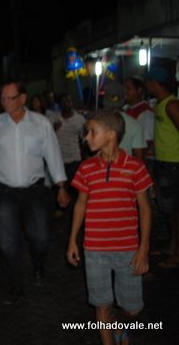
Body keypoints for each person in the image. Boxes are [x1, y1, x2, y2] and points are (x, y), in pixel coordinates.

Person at [0, 81, 70, 304]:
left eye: (10, 98)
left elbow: (53, 154)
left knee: (41, 238)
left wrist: (61, 186)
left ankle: (38, 264)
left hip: (35, 191)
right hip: (5, 191)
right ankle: (15, 284)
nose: (5, 102)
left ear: (22, 98)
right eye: (2, 98)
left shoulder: (40, 123)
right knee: (7, 244)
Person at [67, 109, 152, 345]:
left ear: (111, 134)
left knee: (133, 308)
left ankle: (118, 323)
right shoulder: (86, 168)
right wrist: (72, 239)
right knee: (101, 304)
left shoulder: (135, 167)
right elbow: (80, 204)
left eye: (92, 132)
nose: (86, 137)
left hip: (128, 249)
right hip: (95, 249)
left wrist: (144, 248)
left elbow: (145, 209)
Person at [145, 67, 179, 268]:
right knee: (171, 211)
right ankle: (173, 247)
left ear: (154, 83)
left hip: (174, 164)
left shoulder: (171, 104)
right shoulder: (160, 104)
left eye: (148, 82)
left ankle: (178, 254)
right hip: (164, 162)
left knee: (176, 210)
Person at [52, 93, 86, 218]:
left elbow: (84, 139)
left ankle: (79, 209)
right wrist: (53, 129)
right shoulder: (55, 118)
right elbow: (48, 138)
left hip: (74, 158)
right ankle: (61, 208)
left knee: (77, 186)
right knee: (60, 186)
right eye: (64, 101)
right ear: (60, 104)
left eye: (69, 101)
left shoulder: (79, 119)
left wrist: (83, 156)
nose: (68, 103)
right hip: (59, 158)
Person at [102, 82, 146, 161]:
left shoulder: (96, 123)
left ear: (104, 100)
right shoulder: (135, 125)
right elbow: (139, 158)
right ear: (123, 100)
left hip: (99, 167)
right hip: (125, 167)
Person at [124, 76, 155, 157]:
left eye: (128, 88)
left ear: (139, 90)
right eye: (124, 89)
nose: (125, 92)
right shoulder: (126, 109)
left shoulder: (146, 113)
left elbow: (147, 143)